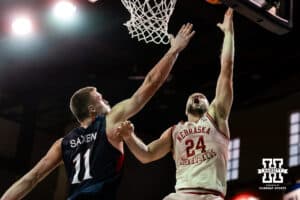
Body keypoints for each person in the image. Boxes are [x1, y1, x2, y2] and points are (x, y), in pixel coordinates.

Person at [0, 24, 195, 200]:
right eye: (101, 98)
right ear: (92, 109)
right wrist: (174, 51)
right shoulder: (109, 121)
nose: (107, 100)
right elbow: (149, 84)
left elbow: (31, 179)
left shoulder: (63, 144)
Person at [117, 8, 234, 200]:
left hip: (210, 196)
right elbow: (146, 155)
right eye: (194, 96)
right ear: (186, 107)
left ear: (209, 106)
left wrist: (229, 34)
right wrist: (130, 137)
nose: (198, 97)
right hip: (181, 196)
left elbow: (226, 70)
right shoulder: (173, 132)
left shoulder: (217, 118)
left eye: (202, 97)